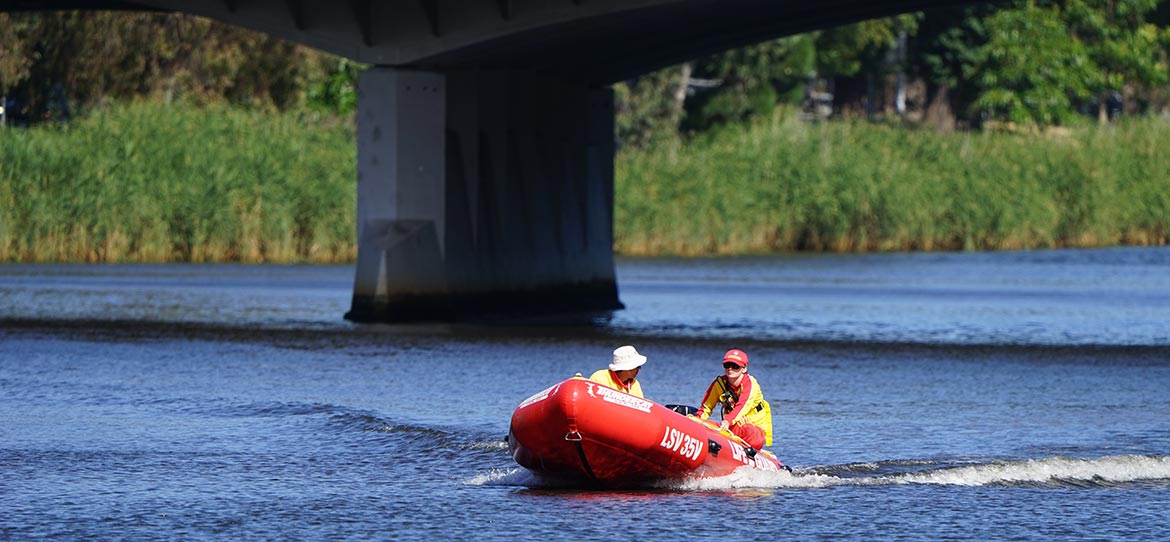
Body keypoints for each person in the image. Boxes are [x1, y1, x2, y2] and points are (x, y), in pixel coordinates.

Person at [697, 349, 773, 450]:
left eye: (735, 366)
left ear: (744, 368)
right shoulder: (719, 384)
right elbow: (706, 407)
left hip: (753, 427)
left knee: (750, 432)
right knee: (706, 425)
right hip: (732, 426)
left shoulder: (751, 384)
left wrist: (727, 421)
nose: (730, 369)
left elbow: (742, 406)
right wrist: (697, 421)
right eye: (727, 365)